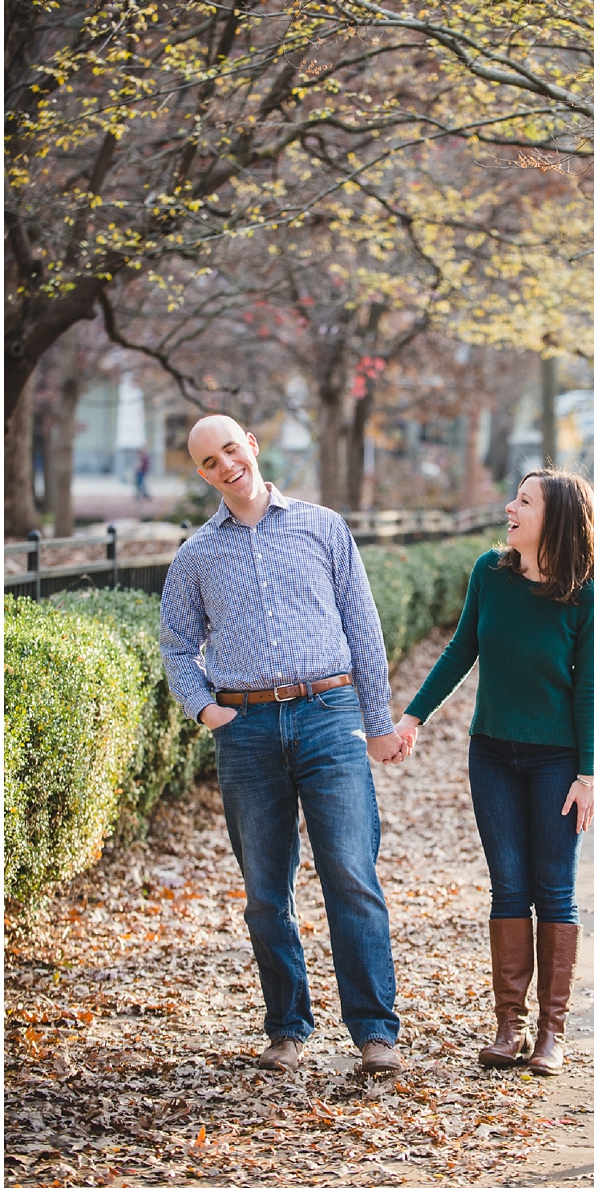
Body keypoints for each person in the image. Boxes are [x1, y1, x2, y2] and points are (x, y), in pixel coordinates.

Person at [161, 416, 409, 1075]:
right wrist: (207, 710)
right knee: (266, 893)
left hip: (331, 714)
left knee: (351, 875)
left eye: (231, 450)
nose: (225, 466)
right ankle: (287, 1028)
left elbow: (364, 627)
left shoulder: (323, 528)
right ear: (203, 474)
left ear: (253, 446)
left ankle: (375, 1033)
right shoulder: (195, 556)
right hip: (246, 731)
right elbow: (178, 647)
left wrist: (378, 722)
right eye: (209, 462)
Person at [394, 469, 594, 1077]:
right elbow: (461, 649)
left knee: (554, 889)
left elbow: (588, 691)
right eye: (514, 497)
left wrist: (586, 774)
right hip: (490, 752)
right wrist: (411, 719)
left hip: (556, 762)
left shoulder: (588, 596)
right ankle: (508, 1027)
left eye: (524, 501)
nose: (509, 508)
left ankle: (552, 1034)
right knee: (509, 886)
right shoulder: (490, 574)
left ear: (556, 518)